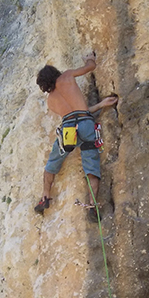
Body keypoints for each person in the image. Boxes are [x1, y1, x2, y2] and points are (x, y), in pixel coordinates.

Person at [34, 52, 118, 222]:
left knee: (52, 163)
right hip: (86, 125)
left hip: (68, 130)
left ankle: (45, 197)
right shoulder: (67, 76)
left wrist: (101, 104)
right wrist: (89, 58)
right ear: (55, 72)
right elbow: (90, 68)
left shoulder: (51, 101)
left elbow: (72, 115)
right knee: (91, 165)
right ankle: (93, 205)